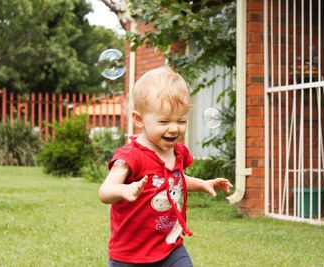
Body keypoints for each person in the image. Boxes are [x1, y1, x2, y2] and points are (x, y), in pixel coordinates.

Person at [99, 66, 233, 267]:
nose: (174, 128)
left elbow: (176, 179)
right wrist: (125, 189)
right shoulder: (131, 156)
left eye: (181, 120)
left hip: (170, 247)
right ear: (139, 120)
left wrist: (203, 183)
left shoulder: (178, 151)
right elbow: (105, 191)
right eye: (164, 121)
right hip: (130, 254)